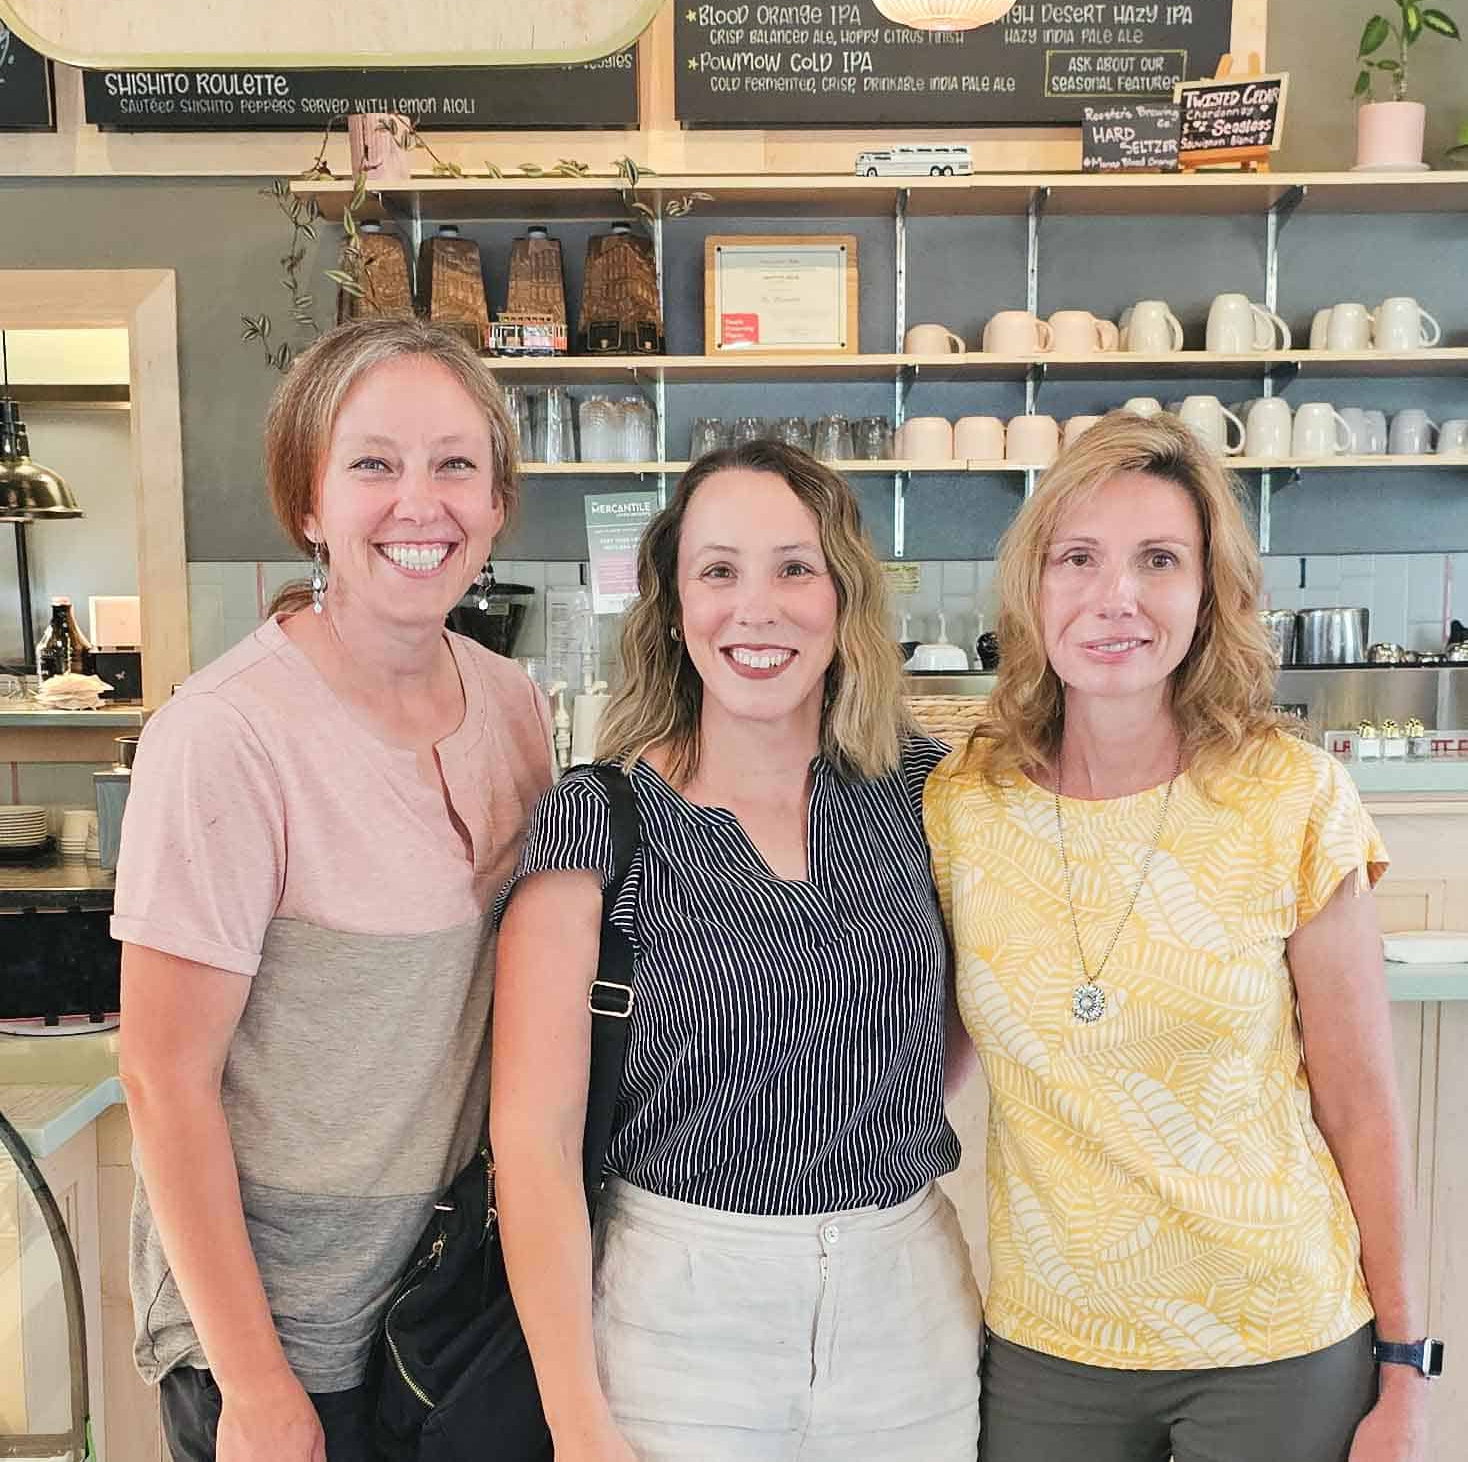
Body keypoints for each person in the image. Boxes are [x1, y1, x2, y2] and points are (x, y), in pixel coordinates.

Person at [924, 410, 1431, 1462]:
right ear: (1033, 585)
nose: (1117, 596)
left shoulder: (1290, 796)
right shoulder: (962, 800)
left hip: (1276, 1343)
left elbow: (1360, 1104)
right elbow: (930, 1050)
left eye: (1159, 559)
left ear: (1207, 592)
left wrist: (1403, 1365)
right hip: (1048, 1348)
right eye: (1079, 558)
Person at [113, 319, 553, 1462]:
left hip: (447, 1313)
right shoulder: (227, 735)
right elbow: (163, 1078)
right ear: (307, 503)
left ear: (498, 501)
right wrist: (256, 1385)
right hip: (280, 1335)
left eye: (456, 464)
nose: (422, 502)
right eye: (372, 464)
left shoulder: (511, 704)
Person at [490, 440, 981, 1461]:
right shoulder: (601, 819)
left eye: (794, 568)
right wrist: (577, 1419)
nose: (755, 607)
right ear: (673, 607)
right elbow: (531, 1147)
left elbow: (958, 1021)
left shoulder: (929, 796)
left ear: (844, 601)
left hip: (909, 1321)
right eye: (719, 570)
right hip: (677, 1329)